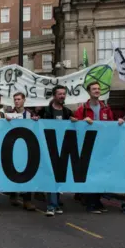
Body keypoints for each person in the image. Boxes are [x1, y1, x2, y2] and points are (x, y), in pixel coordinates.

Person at [74, 81, 113, 214]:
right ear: (89, 92)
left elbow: (111, 126)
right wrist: (82, 122)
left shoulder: (106, 108)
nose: (97, 91)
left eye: (98, 88)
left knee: (100, 173)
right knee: (90, 174)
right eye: (94, 89)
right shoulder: (82, 109)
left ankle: (96, 200)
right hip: (88, 145)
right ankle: (90, 203)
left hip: (101, 146)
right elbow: (75, 125)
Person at [43, 85, 76, 216]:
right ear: (54, 96)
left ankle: (55, 202)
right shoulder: (46, 111)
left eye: (64, 94)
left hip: (64, 147)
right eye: (59, 94)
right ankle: (52, 205)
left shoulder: (68, 112)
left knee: (59, 176)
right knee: (52, 176)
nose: (62, 96)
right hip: (49, 147)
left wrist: (75, 121)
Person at [6, 92, 36, 211]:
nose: (17, 101)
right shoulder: (9, 114)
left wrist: (36, 120)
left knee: (28, 173)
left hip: (27, 147)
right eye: (15, 99)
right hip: (14, 146)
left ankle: (27, 200)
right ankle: (14, 195)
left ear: (24, 100)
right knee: (14, 170)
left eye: (19, 99)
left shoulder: (30, 114)